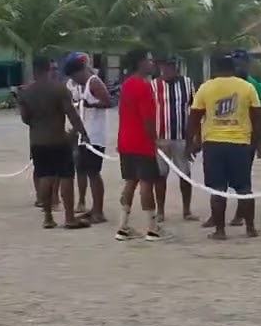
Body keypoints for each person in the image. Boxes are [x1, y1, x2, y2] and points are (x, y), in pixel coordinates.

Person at [187, 53, 261, 240]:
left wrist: (191, 142)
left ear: (215, 70)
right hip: (240, 145)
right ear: (233, 69)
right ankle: (250, 228)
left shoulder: (206, 88)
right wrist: (260, 143)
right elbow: (257, 118)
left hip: (213, 145)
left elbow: (194, 118)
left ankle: (220, 231)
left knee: (217, 189)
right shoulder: (247, 87)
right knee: (244, 188)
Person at [18, 56, 90, 229]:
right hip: (58, 139)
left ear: (34, 71)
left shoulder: (25, 92)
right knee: (66, 177)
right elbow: (71, 114)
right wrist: (83, 133)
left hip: (37, 140)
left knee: (44, 177)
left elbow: (25, 118)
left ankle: (48, 218)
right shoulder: (59, 89)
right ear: (48, 69)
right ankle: (69, 217)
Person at [215, 48, 261, 229]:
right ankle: (217, 218)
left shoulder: (254, 86)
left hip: (246, 139)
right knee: (218, 181)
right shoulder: (221, 84)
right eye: (235, 62)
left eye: (241, 62)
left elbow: (259, 118)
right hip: (222, 136)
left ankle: (241, 215)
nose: (238, 66)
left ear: (246, 64)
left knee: (243, 180)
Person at [115, 47, 164, 241]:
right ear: (140, 63)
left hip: (125, 141)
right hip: (142, 142)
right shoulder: (143, 87)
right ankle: (152, 227)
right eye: (149, 60)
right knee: (146, 184)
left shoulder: (126, 84)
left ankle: (123, 226)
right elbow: (148, 119)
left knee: (130, 182)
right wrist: (155, 139)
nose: (152, 64)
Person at [64, 53, 113, 223]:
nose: (74, 81)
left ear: (79, 72)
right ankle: (93, 208)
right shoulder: (81, 85)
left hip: (95, 136)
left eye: (74, 77)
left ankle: (99, 211)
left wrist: (90, 104)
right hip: (84, 136)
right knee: (84, 170)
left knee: (94, 173)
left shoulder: (94, 82)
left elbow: (108, 101)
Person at [152, 58, 198, 221]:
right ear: (160, 68)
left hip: (181, 137)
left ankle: (187, 210)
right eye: (164, 67)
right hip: (160, 138)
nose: (167, 71)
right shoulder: (153, 85)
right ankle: (160, 211)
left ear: (176, 67)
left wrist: (194, 138)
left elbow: (196, 110)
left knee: (185, 174)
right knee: (160, 175)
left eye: (170, 67)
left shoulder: (187, 83)